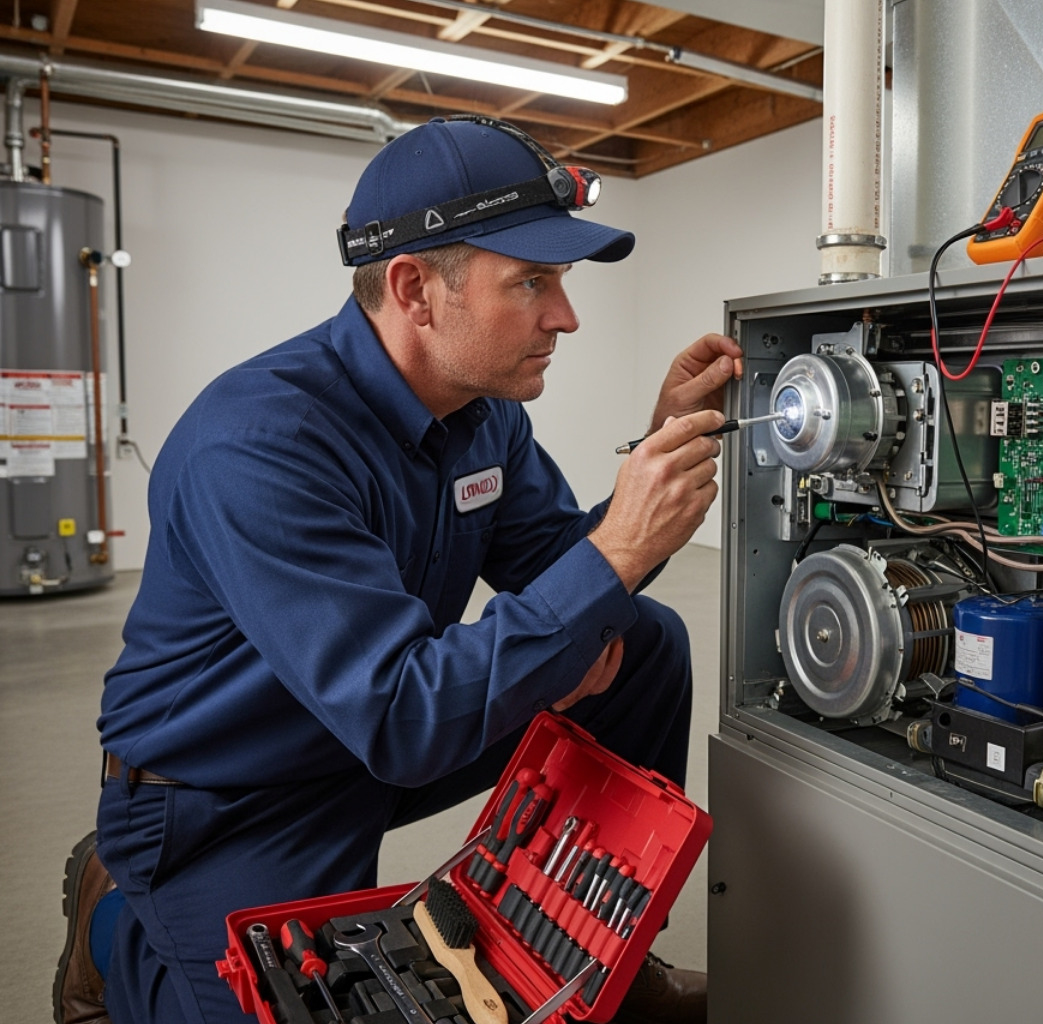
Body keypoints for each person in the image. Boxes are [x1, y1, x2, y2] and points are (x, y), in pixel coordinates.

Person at [54, 116, 741, 1024]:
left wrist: (653, 464)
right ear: (415, 288)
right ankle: (112, 931)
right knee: (293, 1002)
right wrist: (619, 548)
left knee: (644, 645)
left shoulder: (485, 416)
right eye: (530, 282)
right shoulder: (258, 444)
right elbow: (401, 712)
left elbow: (563, 578)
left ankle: (586, 956)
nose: (564, 315)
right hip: (227, 797)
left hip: (369, 741)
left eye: (563, 281)